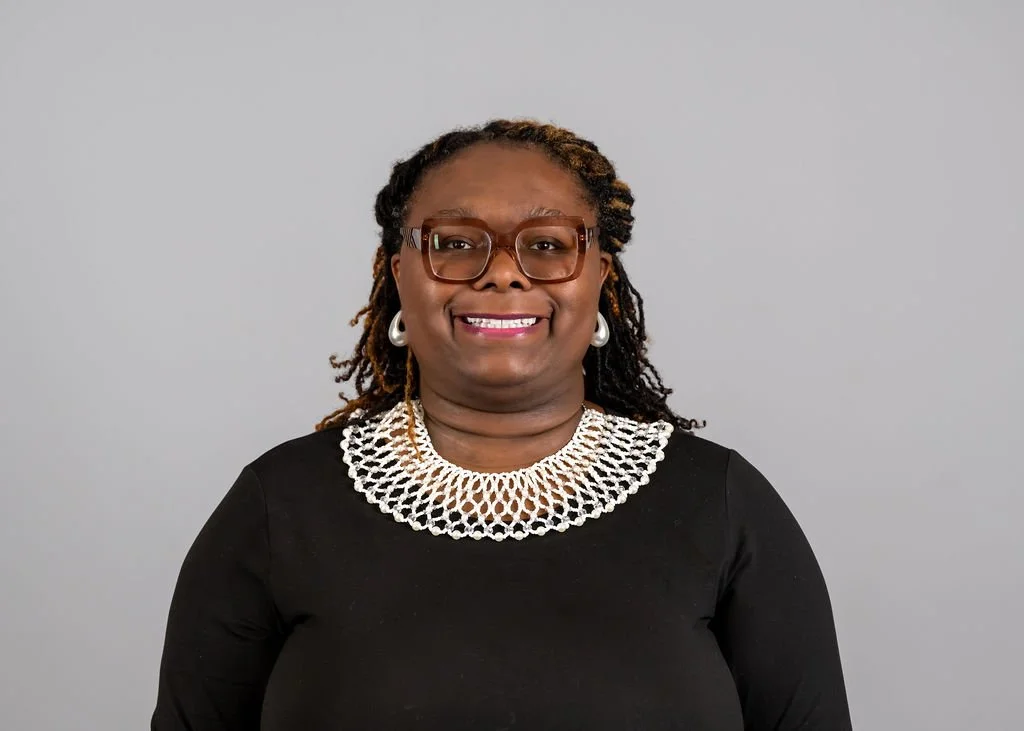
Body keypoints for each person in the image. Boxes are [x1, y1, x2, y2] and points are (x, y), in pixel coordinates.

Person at [151, 119, 853, 730]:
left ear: (599, 276)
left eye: (547, 245)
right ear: (399, 273)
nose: (503, 275)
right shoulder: (280, 507)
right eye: (457, 242)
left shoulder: (722, 504)